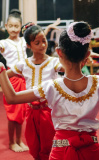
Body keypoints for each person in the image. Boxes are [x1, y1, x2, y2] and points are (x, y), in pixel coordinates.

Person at [0, 21, 99, 160]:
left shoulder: (51, 87)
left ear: (59, 53)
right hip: (91, 150)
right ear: (87, 55)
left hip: (60, 150)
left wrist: (1, 69)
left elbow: (12, 97)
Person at [7, 22, 64, 160]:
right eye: (37, 43)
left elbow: (70, 69)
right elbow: (5, 75)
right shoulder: (24, 64)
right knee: (33, 145)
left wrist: (80, 59)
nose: (42, 45)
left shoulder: (53, 62)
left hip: (48, 111)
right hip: (31, 111)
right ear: (28, 46)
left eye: (44, 41)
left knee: (49, 144)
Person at [0, 9, 28, 152]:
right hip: (11, 79)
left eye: (16, 26)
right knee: (13, 113)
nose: (13, 29)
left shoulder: (24, 41)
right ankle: (11, 142)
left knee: (22, 112)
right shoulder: (4, 43)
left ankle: (19, 140)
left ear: (21, 27)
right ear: (6, 26)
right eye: (10, 26)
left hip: (24, 79)